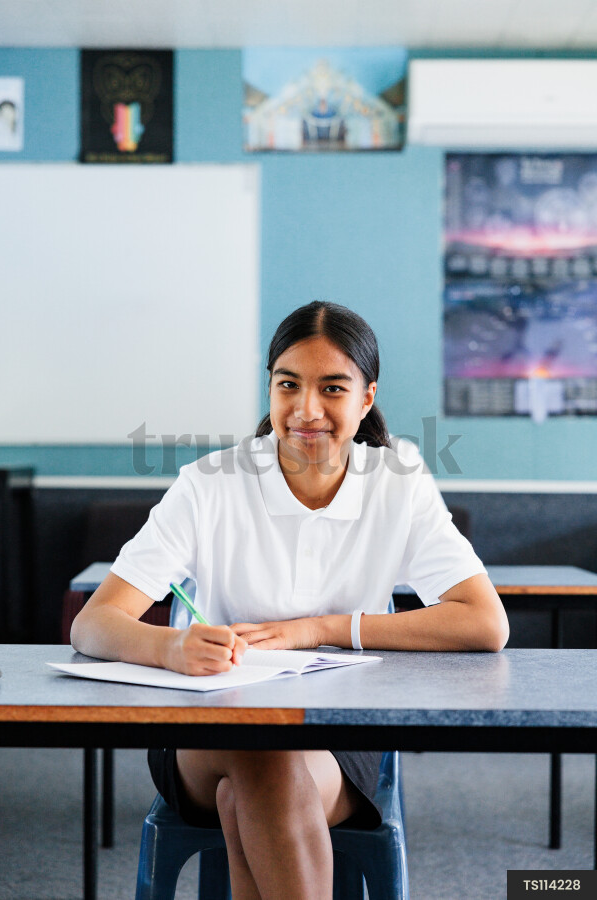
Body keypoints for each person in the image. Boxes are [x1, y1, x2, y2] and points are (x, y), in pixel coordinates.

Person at [71, 300, 509, 900]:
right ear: (270, 391)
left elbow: (485, 623)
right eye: (288, 385)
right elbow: (94, 624)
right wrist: (170, 647)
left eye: (332, 387)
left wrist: (318, 628)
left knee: (258, 781)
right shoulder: (209, 484)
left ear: (366, 398)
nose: (307, 409)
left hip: (337, 738)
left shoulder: (398, 482)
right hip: (208, 732)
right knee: (259, 752)